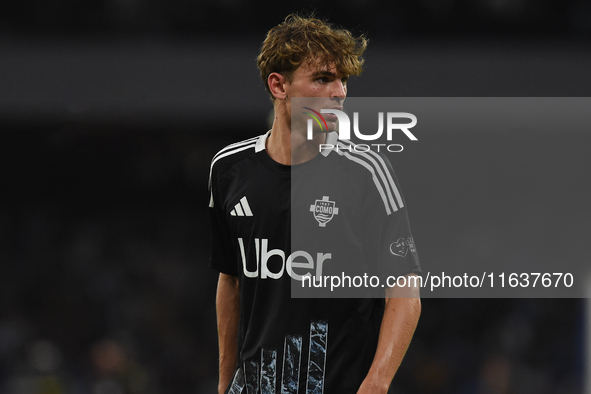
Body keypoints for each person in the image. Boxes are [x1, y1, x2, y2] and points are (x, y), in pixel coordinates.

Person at [209, 14, 421, 394]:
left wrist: (377, 383)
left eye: (343, 80)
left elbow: (405, 289)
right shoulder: (228, 170)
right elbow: (230, 282)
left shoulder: (367, 173)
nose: (339, 91)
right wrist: (225, 383)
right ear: (280, 85)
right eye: (323, 79)